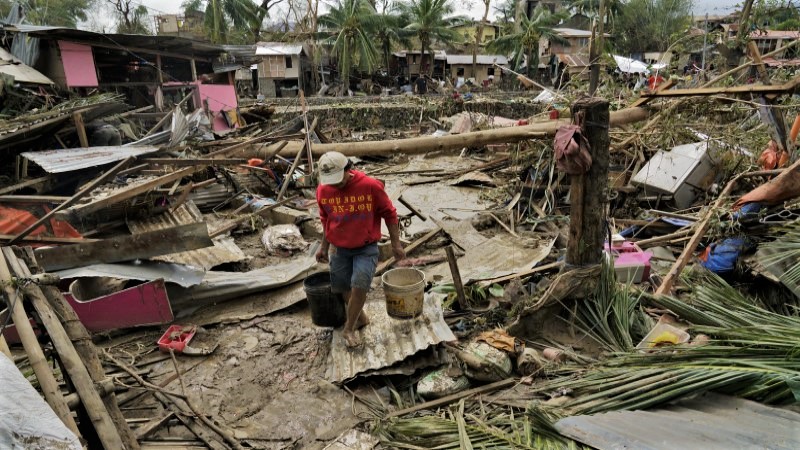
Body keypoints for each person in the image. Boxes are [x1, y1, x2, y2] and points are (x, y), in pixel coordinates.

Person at [315, 152, 406, 348]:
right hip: (338, 248)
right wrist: (323, 247)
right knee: (342, 287)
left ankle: (349, 328)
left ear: (348, 170)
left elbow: (390, 214)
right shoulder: (323, 191)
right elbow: (326, 221)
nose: (335, 185)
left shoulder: (370, 186)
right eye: (330, 181)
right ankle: (361, 317)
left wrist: (396, 244)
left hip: (366, 247)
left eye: (338, 180)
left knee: (360, 284)